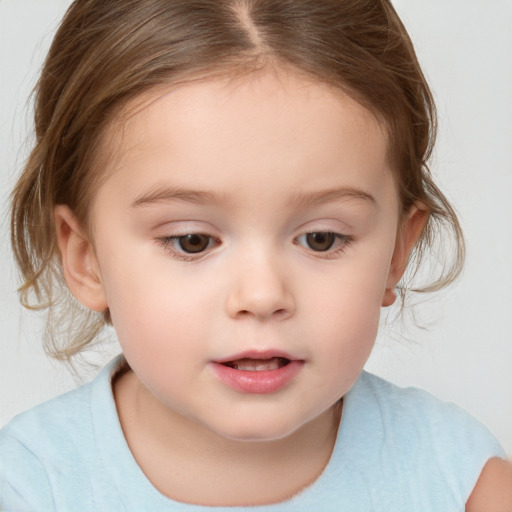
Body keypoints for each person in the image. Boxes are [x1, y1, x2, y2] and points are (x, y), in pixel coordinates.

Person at [0, 0, 511, 510]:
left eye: (321, 239)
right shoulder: (28, 485)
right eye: (192, 241)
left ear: (398, 250)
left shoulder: (461, 484)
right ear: (86, 258)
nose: (263, 295)